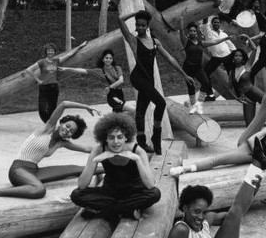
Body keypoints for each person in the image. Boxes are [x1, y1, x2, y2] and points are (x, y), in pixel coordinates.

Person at [169, 69, 266, 177]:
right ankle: (184, 169)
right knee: (220, 159)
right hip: (249, 148)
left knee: (221, 160)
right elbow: (252, 141)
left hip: (254, 154)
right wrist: (262, 159)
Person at [117, 9, 194, 155]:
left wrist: (184, 75)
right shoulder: (133, 41)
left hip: (149, 79)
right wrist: (135, 13)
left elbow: (170, 59)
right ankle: (156, 137)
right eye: (137, 25)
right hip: (138, 78)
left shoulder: (154, 42)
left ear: (147, 26)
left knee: (141, 111)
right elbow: (120, 20)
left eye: (142, 25)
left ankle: (141, 142)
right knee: (161, 103)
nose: (139, 27)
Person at [0, 101, 99, 199]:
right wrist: (86, 107)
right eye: (67, 126)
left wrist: (112, 149)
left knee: (74, 169)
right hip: (18, 169)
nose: (67, 131)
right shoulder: (47, 129)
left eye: (71, 131)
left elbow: (87, 149)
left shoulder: (62, 143)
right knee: (39, 190)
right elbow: (63, 104)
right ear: (61, 123)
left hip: (34, 171)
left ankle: (107, 169)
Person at [71, 112, 161, 221]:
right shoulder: (99, 149)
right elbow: (81, 185)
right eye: (111, 137)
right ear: (105, 138)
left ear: (126, 137)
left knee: (155, 194)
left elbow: (151, 185)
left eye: (120, 137)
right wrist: (95, 161)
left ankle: (106, 211)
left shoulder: (137, 151)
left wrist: (137, 159)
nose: (116, 142)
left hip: (134, 193)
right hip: (110, 193)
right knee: (76, 195)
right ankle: (127, 211)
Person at [179, 16, 235, 115]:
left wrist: (226, 38)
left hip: (198, 68)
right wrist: (181, 20)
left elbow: (214, 42)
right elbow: (181, 32)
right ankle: (193, 106)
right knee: (191, 87)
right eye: (191, 31)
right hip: (188, 68)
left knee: (205, 82)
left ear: (196, 33)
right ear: (189, 32)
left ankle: (199, 104)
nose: (193, 32)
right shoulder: (186, 42)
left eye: (194, 31)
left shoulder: (201, 43)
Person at [25, 41, 88, 123]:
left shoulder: (56, 61)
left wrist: (80, 46)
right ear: (46, 52)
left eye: (52, 50)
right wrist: (38, 80)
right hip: (44, 87)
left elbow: (69, 55)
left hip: (54, 87)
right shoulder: (42, 62)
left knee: (53, 108)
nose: (50, 52)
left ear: (54, 52)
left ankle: (51, 123)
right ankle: (47, 122)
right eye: (49, 50)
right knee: (42, 109)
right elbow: (28, 70)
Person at [230, 37, 266, 126]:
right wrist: (237, 97)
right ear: (233, 58)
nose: (238, 57)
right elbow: (229, 87)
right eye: (236, 56)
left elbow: (255, 49)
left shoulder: (247, 66)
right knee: (249, 124)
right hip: (246, 98)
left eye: (240, 56)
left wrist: (248, 38)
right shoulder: (231, 72)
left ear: (242, 58)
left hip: (254, 91)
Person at [60, 49, 129, 113]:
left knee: (119, 113)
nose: (108, 60)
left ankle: (113, 123)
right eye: (106, 58)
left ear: (112, 60)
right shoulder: (99, 71)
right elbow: (82, 70)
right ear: (103, 59)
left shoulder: (117, 68)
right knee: (131, 109)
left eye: (110, 58)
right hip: (112, 96)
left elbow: (121, 81)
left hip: (120, 93)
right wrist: (66, 68)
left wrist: (110, 87)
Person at [204, 15, 237, 100]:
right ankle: (210, 95)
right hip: (216, 58)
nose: (216, 24)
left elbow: (231, 45)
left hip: (228, 56)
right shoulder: (208, 32)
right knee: (205, 73)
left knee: (233, 75)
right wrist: (206, 13)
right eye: (214, 22)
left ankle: (239, 94)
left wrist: (236, 55)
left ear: (220, 24)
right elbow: (204, 23)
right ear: (212, 24)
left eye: (218, 22)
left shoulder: (224, 34)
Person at [248, 17, 266, 84]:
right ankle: (251, 89)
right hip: (261, 58)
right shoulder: (263, 35)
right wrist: (248, 39)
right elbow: (255, 37)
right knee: (252, 73)